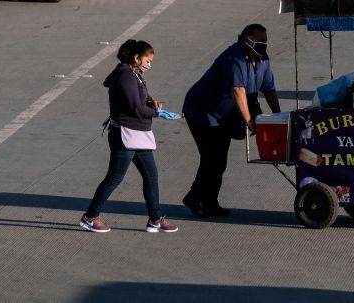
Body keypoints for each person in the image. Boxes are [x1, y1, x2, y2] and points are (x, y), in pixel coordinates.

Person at [182, 24, 281, 217]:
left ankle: (208, 200)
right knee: (213, 157)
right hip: (204, 112)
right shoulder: (234, 58)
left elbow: (269, 89)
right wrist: (249, 121)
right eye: (259, 42)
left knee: (219, 159)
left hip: (224, 115)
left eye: (265, 42)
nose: (263, 46)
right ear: (245, 40)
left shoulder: (262, 59)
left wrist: (278, 116)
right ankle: (196, 197)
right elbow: (238, 91)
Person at [80, 39, 178, 234]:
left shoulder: (134, 74)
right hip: (125, 135)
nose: (149, 65)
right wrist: (156, 113)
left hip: (138, 135)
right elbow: (136, 107)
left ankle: (155, 219)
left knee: (151, 176)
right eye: (148, 61)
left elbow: (142, 97)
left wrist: (153, 102)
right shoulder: (126, 76)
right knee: (114, 177)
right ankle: (90, 217)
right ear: (136, 58)